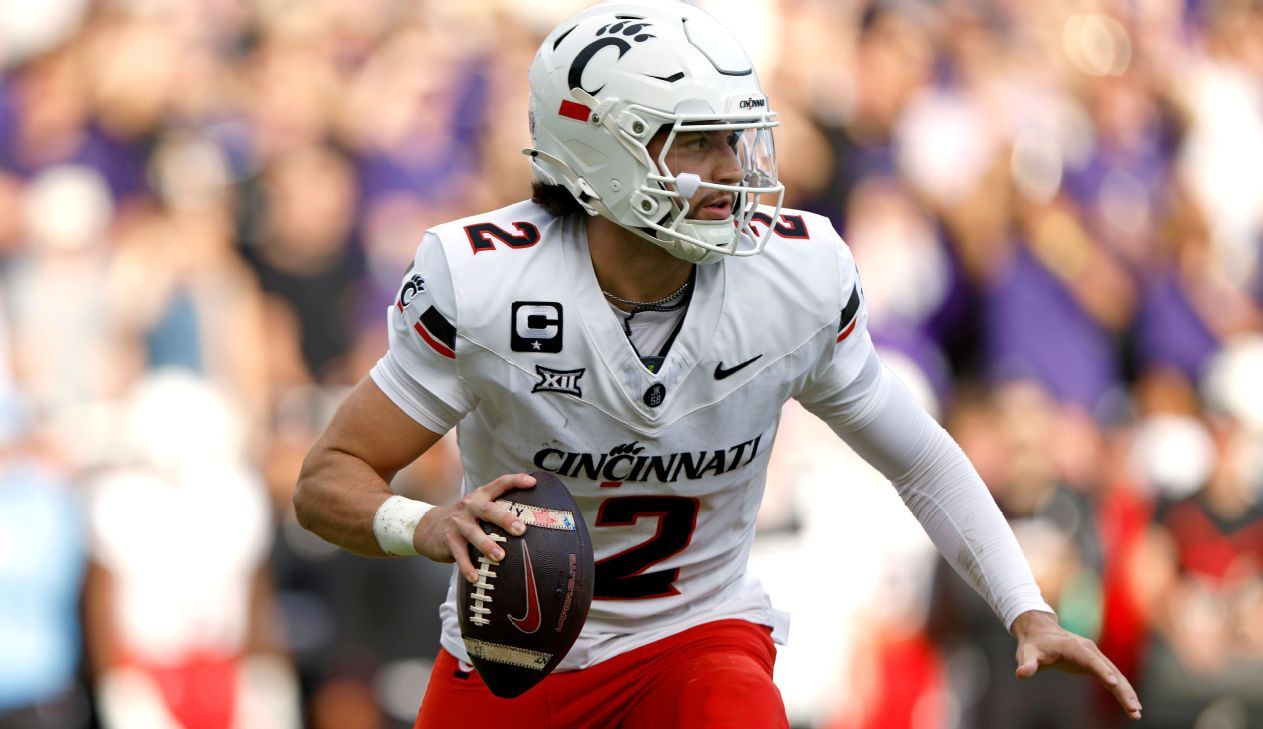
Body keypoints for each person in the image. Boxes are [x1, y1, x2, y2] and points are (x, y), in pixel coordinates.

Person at [293, 2, 1143, 727]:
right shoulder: (486, 283)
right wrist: (422, 524)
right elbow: (328, 477)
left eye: (736, 138)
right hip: (517, 649)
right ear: (596, 153)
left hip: (695, 637)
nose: (734, 169)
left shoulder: (793, 277)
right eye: (696, 143)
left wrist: (1026, 608)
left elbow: (918, 459)